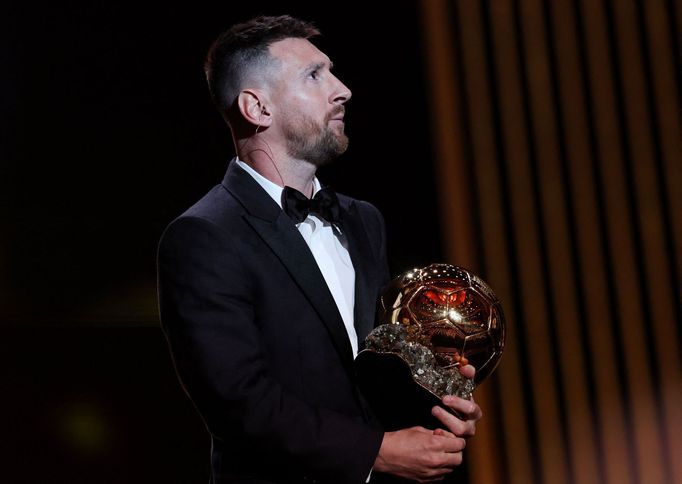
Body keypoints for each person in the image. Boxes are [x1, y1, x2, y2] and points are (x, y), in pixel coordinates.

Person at [157, 15, 482, 483]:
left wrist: (437, 402)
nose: (342, 89)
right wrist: (376, 452)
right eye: (315, 75)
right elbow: (238, 401)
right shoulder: (203, 236)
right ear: (257, 107)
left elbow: (373, 366)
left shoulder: (363, 220)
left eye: (331, 70)